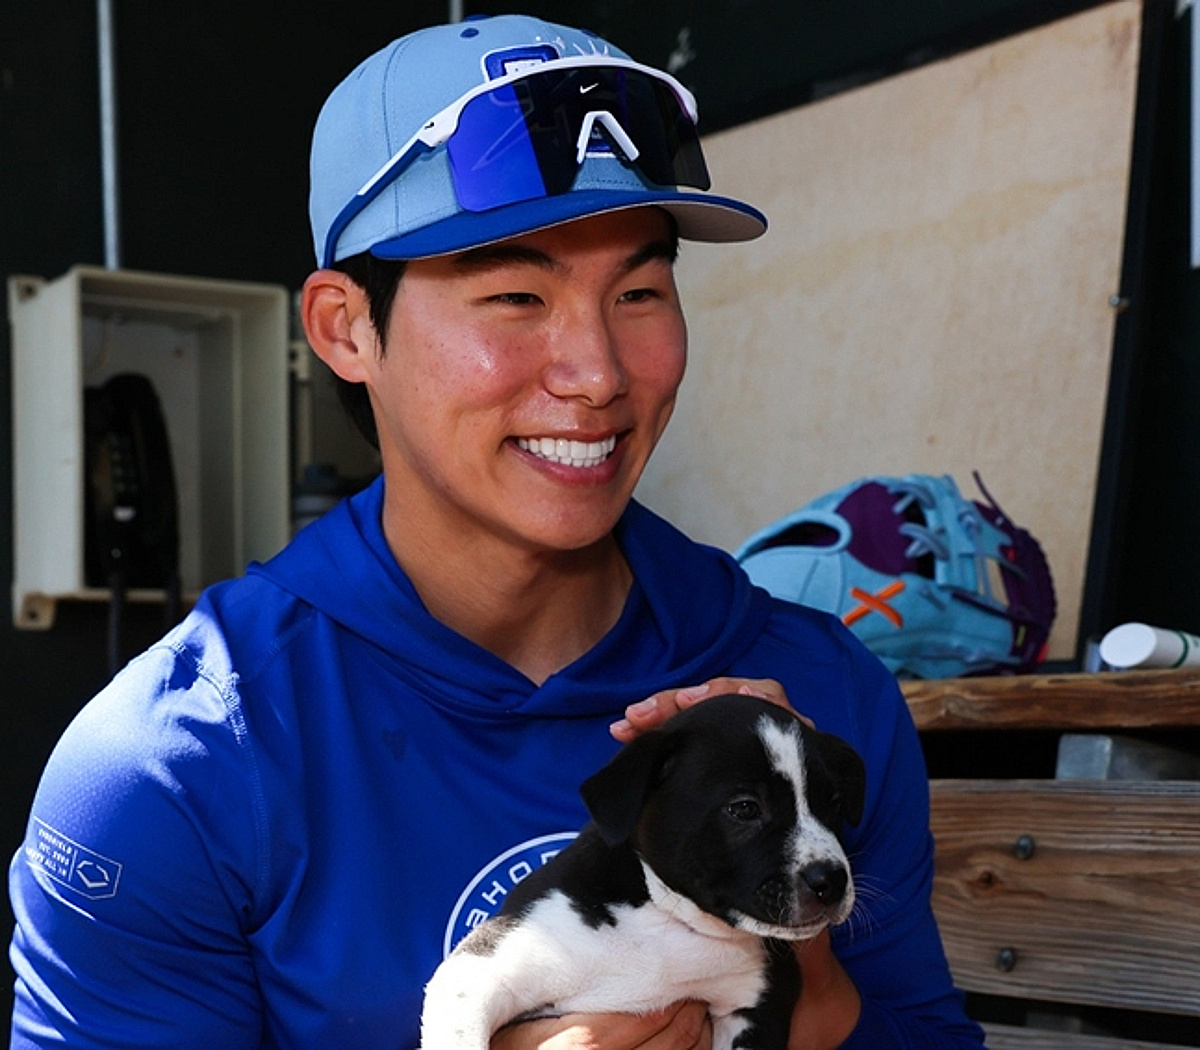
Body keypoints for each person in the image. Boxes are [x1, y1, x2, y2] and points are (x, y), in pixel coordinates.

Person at [9, 13, 986, 1049]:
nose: (598, 372)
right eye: (516, 294)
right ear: (346, 327)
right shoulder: (176, 767)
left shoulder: (819, 695)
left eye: (641, 290)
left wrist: (802, 960)